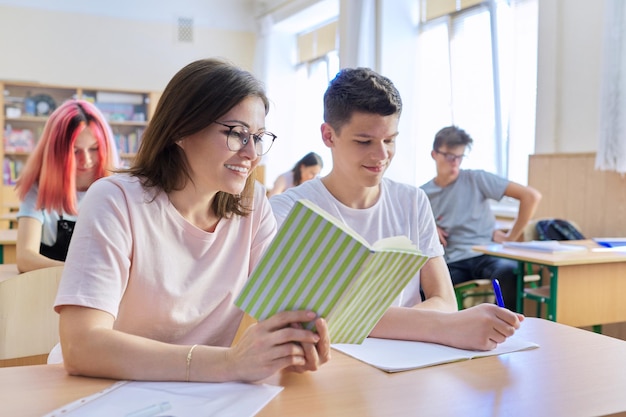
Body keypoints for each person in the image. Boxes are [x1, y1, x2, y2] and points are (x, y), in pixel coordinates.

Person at [53, 58, 330, 382]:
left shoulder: (252, 205)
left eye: (258, 137)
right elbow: (81, 347)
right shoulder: (115, 200)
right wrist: (227, 363)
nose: (252, 153)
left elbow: (277, 312)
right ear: (181, 131)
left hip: (203, 392)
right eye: (237, 134)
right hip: (100, 387)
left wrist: (291, 346)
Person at [270, 67, 523, 351]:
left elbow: (445, 300)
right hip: (335, 365)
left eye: (390, 140)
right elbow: (312, 319)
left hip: (412, 358)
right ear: (329, 136)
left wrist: (366, 323)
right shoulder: (287, 211)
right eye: (364, 141)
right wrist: (439, 326)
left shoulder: (412, 201)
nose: (381, 155)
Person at [420, 125, 542, 310]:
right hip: (452, 260)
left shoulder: (476, 179)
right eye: (449, 156)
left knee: (509, 271)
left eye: (460, 157)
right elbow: (409, 227)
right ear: (434, 154)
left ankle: (505, 326)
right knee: (424, 287)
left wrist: (510, 237)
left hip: (486, 253)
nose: (455, 163)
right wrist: (429, 227)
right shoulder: (423, 194)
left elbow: (531, 196)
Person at [14, 99, 119, 273]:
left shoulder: (118, 186)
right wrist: (79, 271)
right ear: (56, 153)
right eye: (75, 151)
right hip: (51, 289)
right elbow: (25, 257)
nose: (86, 160)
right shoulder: (37, 188)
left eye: (94, 148)